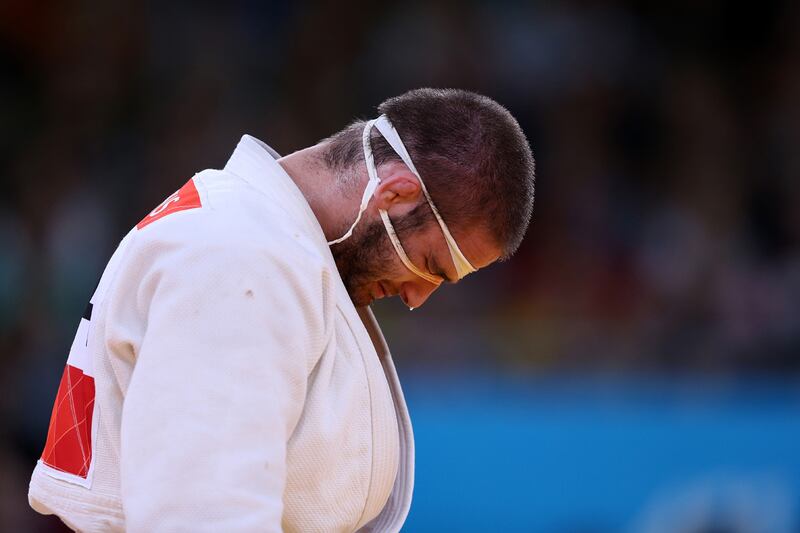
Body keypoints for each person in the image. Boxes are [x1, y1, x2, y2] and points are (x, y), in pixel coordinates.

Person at [28, 88, 536, 532]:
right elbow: (202, 517)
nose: (417, 296)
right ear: (396, 193)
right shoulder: (239, 252)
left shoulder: (273, 242)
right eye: (430, 265)